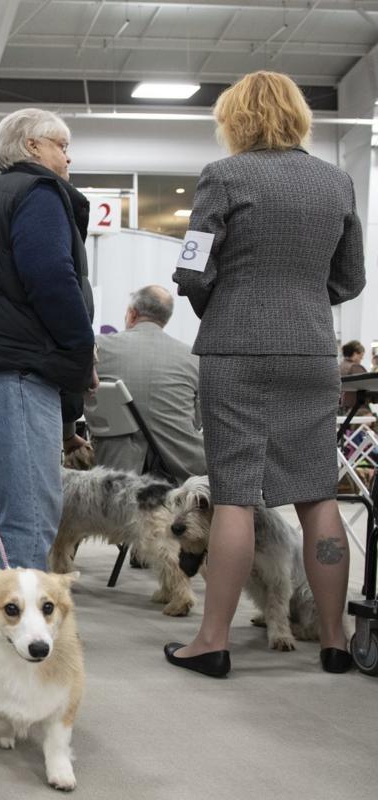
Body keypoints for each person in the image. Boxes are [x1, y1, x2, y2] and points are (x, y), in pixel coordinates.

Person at [167, 70, 365, 678]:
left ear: (236, 120)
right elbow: (351, 278)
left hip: (237, 352)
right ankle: (334, 639)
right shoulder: (336, 182)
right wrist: (304, 299)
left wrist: (225, 307)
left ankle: (212, 642)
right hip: (310, 349)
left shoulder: (224, 176)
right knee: (316, 494)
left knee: (232, 498)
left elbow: (192, 269)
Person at [0, 107, 95, 588]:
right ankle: (22, 646)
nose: (69, 157)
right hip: (16, 368)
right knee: (28, 513)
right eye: (62, 146)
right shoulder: (39, 193)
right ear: (32, 147)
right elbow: (52, 278)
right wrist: (80, 349)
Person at [90, 285, 206, 479]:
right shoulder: (193, 358)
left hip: (115, 471)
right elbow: (197, 420)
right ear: (165, 319)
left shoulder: (99, 347)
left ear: (132, 314)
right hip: (182, 473)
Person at [339, 340, 367, 414]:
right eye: (361, 357)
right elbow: (367, 386)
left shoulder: (341, 366)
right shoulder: (355, 368)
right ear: (355, 354)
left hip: (342, 405)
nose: (361, 359)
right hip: (356, 407)